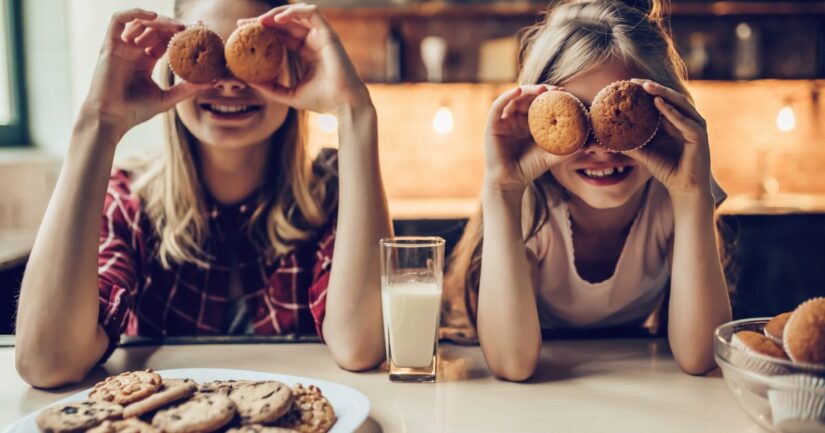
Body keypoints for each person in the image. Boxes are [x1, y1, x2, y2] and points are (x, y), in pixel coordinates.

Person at [15, 0, 390, 388]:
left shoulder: (331, 193)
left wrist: (355, 113)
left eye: (243, 55)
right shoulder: (129, 202)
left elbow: (360, 347)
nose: (229, 82)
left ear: (288, 64)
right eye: (212, 54)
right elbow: (48, 361)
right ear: (174, 64)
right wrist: (98, 123)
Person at [445, 0, 731, 381]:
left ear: (665, 116)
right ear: (537, 122)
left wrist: (692, 193)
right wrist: (501, 189)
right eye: (578, 117)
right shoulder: (531, 207)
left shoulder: (671, 198)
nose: (601, 147)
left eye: (620, 120)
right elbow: (512, 363)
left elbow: (701, 358)